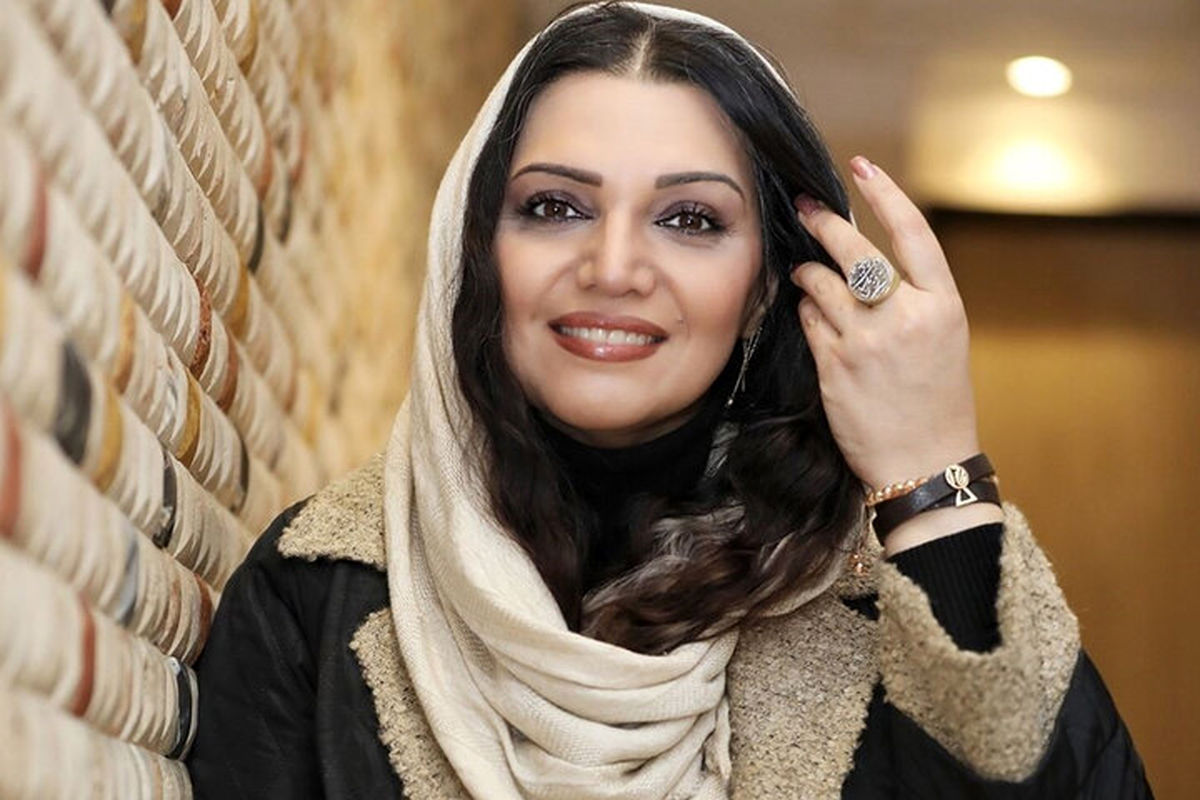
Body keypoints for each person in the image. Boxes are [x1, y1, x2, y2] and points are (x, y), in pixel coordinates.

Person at [186, 2, 1152, 797]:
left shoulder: (875, 604)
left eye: (689, 219)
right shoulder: (324, 589)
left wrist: (933, 468)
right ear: (474, 249)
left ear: (766, 287)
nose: (613, 267)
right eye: (554, 207)